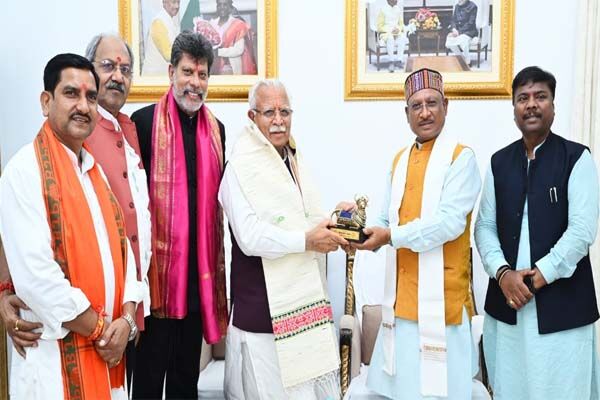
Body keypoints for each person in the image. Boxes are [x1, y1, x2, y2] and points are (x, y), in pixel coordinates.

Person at [0, 34, 152, 392]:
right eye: (71, 93)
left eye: (91, 97)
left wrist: (127, 320)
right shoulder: (25, 171)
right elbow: (38, 278)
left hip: (108, 355)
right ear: (46, 101)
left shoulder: (94, 172)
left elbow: (125, 256)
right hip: (55, 363)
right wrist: (103, 330)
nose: (83, 105)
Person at [353, 68, 482, 399]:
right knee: (400, 392)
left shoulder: (461, 158)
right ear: (406, 113)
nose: (425, 112)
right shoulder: (400, 160)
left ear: (446, 106)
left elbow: (448, 223)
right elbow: (384, 216)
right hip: (401, 306)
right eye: (416, 106)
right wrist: (358, 235)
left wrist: (389, 237)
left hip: (443, 305)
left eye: (432, 103)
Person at [475, 66, 600, 399]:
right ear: (514, 109)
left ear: (553, 106)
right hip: (508, 306)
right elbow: (484, 226)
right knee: (510, 388)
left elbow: (582, 231)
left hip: (563, 309)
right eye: (523, 98)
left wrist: (538, 277)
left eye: (540, 96)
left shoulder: (577, 158)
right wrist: (503, 274)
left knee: (563, 389)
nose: (531, 104)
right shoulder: (498, 163)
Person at [219, 79, 345, 399]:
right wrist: (307, 241)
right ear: (252, 117)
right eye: (269, 112)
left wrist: (336, 222)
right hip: (260, 318)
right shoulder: (239, 168)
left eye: (284, 111)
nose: (278, 120)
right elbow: (250, 238)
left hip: (302, 311)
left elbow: (303, 220)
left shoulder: (293, 159)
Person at [130, 31, 228, 399]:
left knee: (186, 381)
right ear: (171, 72)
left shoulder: (217, 131)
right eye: (188, 72)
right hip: (157, 279)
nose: (195, 83)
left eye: (202, 75)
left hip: (199, 278)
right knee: (148, 380)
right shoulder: (143, 123)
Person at [209, 0, 257, 75]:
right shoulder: (211, 24)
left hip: (232, 68)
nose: (222, 7)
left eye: (225, 5)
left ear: (230, 7)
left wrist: (218, 52)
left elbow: (238, 50)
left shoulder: (238, 24)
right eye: (219, 5)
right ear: (217, 7)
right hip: (214, 67)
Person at [143, 0, 181, 75]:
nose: (177, 6)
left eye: (178, 2)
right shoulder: (158, 22)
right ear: (164, 3)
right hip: (154, 75)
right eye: (174, 2)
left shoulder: (168, 20)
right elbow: (168, 54)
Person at [376, 0, 409, 73]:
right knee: (390, 38)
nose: (396, 1)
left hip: (397, 32)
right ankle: (391, 62)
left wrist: (398, 29)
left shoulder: (398, 9)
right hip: (386, 33)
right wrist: (390, 30)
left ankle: (399, 60)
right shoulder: (383, 10)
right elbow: (379, 27)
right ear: (389, 1)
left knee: (402, 38)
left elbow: (401, 24)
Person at [445, 0, 478, 67]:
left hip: (469, 31)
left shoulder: (473, 6)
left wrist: (459, 32)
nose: (459, 0)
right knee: (449, 40)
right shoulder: (457, 6)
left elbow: (470, 23)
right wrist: (454, 29)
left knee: (463, 40)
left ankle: (468, 61)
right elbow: (453, 20)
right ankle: (461, 57)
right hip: (457, 31)